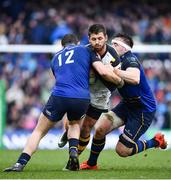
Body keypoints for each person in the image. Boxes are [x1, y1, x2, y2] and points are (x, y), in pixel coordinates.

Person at [4, 34, 123, 172]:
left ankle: (20, 163)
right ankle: (73, 153)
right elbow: (100, 70)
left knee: (39, 131)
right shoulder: (85, 50)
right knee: (74, 124)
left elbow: (59, 76)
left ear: (62, 46)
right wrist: (119, 81)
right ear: (78, 42)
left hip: (60, 95)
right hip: (82, 97)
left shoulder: (55, 57)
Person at [80, 33, 167, 170]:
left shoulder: (130, 59)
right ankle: (92, 164)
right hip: (127, 104)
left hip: (142, 109)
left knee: (122, 151)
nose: (112, 47)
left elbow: (135, 78)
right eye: (112, 43)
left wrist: (114, 71)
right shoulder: (113, 60)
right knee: (100, 129)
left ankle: (155, 141)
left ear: (125, 48)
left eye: (115, 44)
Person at [58, 24, 121, 152]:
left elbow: (114, 84)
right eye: (94, 39)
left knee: (87, 127)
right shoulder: (83, 52)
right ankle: (67, 132)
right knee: (70, 124)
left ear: (106, 38)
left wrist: (107, 75)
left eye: (100, 38)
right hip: (84, 92)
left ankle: (75, 158)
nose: (97, 42)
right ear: (88, 38)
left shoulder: (114, 56)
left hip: (101, 94)